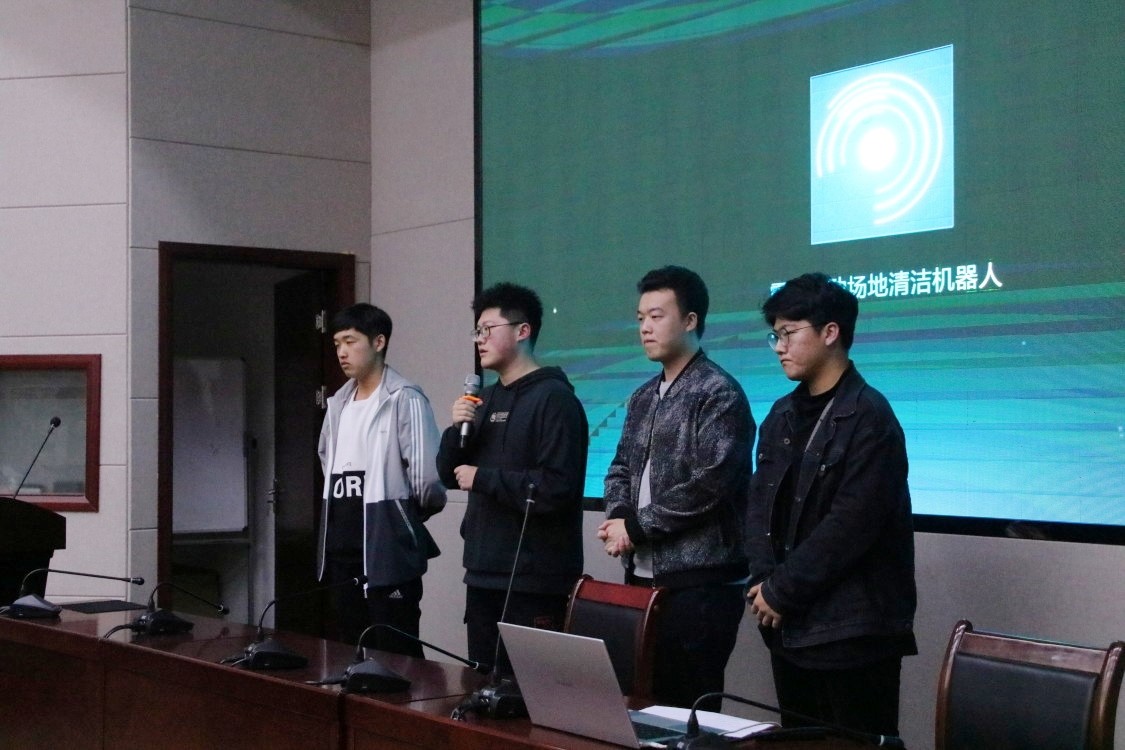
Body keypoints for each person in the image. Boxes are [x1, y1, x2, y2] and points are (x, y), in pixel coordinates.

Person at [745, 272, 916, 737]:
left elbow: (851, 526)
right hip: (788, 627)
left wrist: (781, 590)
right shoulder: (780, 415)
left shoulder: (870, 417)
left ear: (830, 332)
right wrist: (764, 583)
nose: (779, 347)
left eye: (788, 333)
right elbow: (758, 507)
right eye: (774, 335)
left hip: (853, 633)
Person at [600, 265, 754, 709]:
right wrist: (618, 517)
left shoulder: (718, 392)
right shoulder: (643, 395)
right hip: (642, 575)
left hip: (700, 585)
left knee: (689, 711)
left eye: (657, 316)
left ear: (690, 321)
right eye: (640, 318)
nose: (645, 328)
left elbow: (711, 484)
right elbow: (619, 467)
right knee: (642, 705)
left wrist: (636, 527)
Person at [436, 282, 588, 673]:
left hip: (535, 580)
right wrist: (455, 430)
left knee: (529, 691)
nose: (479, 339)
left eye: (488, 329)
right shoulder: (485, 400)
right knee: (481, 685)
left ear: (523, 330)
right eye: (477, 331)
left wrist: (484, 478)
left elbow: (556, 487)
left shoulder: (555, 399)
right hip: (483, 572)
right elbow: (449, 475)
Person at [316, 303, 447, 655]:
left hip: (387, 549)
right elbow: (326, 458)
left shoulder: (404, 398)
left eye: (350, 341)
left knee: (396, 652)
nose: (342, 352)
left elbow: (428, 481)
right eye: (337, 344)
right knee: (351, 650)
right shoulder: (338, 403)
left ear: (378, 342)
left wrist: (401, 517)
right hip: (342, 548)